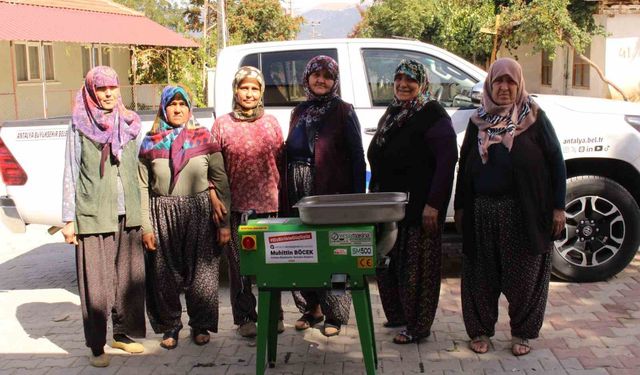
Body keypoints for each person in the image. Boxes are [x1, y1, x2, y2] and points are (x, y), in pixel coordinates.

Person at [454, 58, 566, 356]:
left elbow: (557, 162)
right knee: (480, 274)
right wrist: (461, 206)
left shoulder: (535, 118)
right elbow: (464, 165)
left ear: (519, 85)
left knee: (525, 275)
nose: (504, 88)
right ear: (489, 85)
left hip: (524, 212)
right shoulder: (477, 120)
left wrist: (559, 207)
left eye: (510, 82)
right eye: (498, 82)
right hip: (482, 211)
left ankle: (523, 333)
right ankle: (479, 331)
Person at [367, 59, 458, 344]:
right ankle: (398, 316)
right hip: (389, 207)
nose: (404, 85)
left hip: (420, 208)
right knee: (389, 264)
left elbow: (447, 162)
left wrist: (434, 204)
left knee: (416, 270)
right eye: (399, 79)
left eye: (411, 80)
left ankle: (418, 327)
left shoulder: (432, 114)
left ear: (423, 84)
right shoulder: (394, 112)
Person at [61, 66, 146, 367]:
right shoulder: (79, 123)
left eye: (113, 87)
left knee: (128, 279)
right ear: (91, 91)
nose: (109, 93)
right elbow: (71, 170)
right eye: (102, 88)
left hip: (128, 211)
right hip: (94, 210)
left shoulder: (130, 121)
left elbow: (140, 170)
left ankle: (122, 335)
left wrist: (145, 214)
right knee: (96, 284)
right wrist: (68, 218)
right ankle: (97, 345)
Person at [139, 85, 231, 349]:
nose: (177, 109)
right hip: (162, 212)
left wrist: (224, 223)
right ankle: (170, 327)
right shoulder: (150, 141)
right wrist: (146, 226)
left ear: (190, 108)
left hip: (199, 210)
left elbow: (220, 180)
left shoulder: (204, 137)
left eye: (182, 104)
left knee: (202, 273)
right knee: (164, 274)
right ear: (163, 108)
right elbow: (142, 186)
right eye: (172, 104)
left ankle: (200, 325)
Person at [285, 55, 366, 337]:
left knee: (333, 252)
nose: (321, 80)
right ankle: (311, 308)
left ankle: (336, 313)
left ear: (335, 81)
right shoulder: (299, 111)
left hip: (330, 193)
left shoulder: (344, 111)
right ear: (306, 78)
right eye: (315, 75)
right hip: (298, 189)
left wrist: (357, 202)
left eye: (327, 76)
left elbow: (358, 157)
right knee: (303, 248)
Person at [211, 66, 285, 338]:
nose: (249, 93)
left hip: (270, 207)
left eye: (255, 88)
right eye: (244, 87)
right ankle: (244, 318)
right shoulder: (222, 125)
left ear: (261, 91)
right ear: (235, 90)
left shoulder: (271, 123)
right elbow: (215, 169)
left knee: (273, 265)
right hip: (237, 208)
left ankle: (274, 315)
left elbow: (280, 163)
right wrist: (217, 203)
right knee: (240, 268)